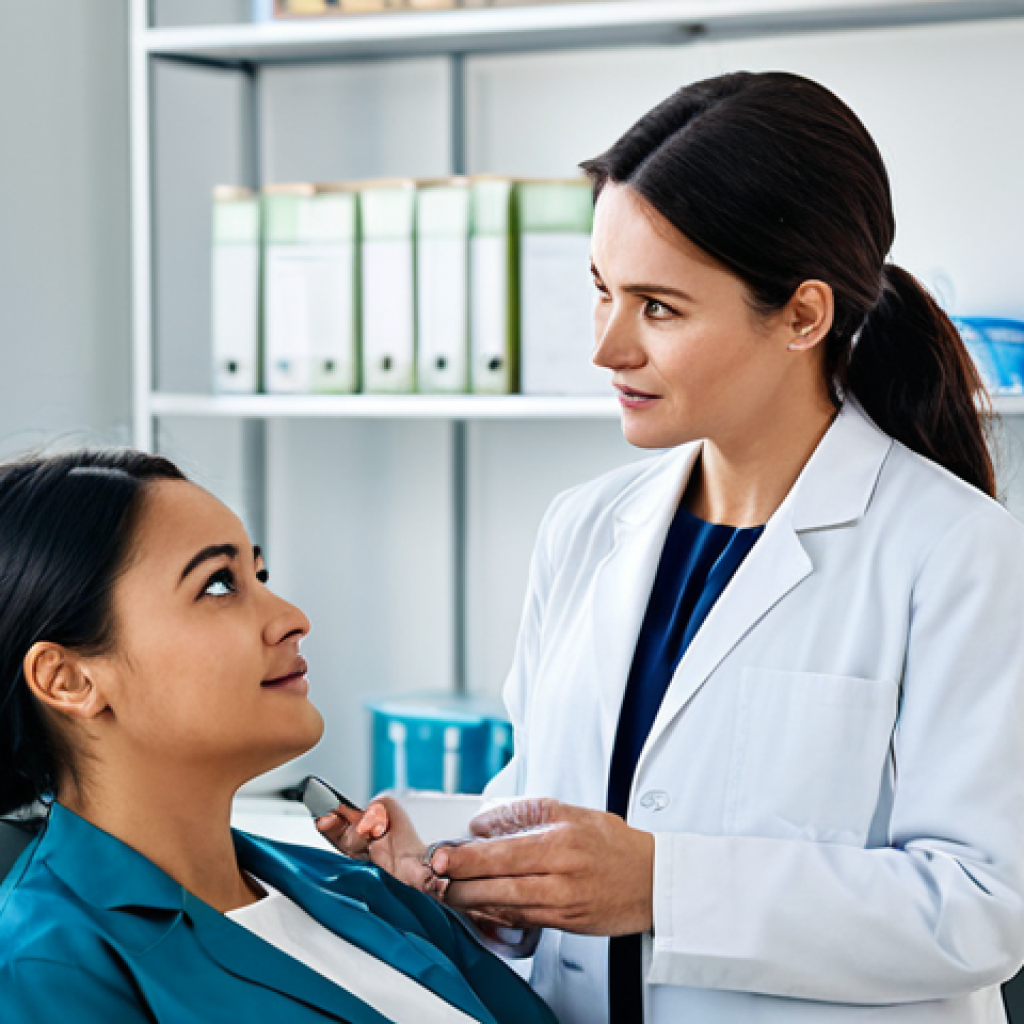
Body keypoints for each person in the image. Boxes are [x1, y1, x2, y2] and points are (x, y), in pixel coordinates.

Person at [411, 71, 1024, 1023]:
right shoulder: (582, 529)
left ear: (803, 316)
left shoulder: (956, 553)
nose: (607, 348)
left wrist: (661, 885)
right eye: (602, 292)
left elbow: (982, 909)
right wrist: (454, 865)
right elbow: (544, 815)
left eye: (658, 307)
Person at [0, 450, 557, 1024]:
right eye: (218, 585)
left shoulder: (362, 889)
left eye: (259, 575)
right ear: (68, 680)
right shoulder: (48, 964)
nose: (292, 616)